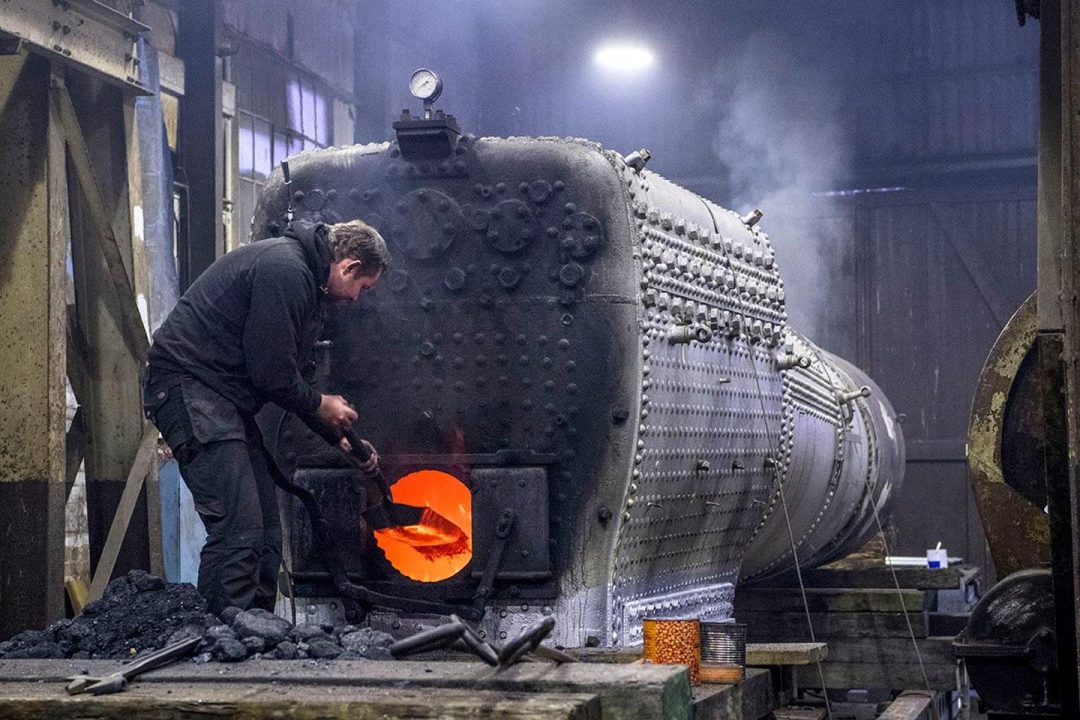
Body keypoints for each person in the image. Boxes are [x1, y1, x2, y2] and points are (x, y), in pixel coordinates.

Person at [143, 219, 390, 614]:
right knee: (239, 531)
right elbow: (271, 374)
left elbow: (294, 380)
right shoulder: (285, 270)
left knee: (267, 536)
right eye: (364, 288)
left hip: (222, 398)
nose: (358, 299)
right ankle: (220, 643)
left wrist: (337, 436)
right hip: (189, 385)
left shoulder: (307, 283)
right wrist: (321, 405)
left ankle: (255, 637)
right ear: (349, 266)